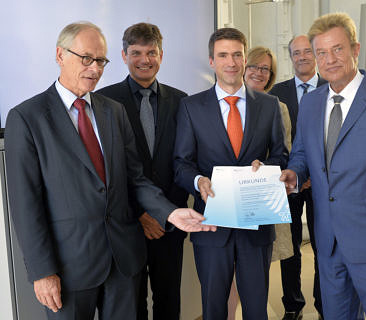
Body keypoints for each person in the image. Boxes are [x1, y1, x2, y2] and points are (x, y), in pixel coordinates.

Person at [4, 21, 214, 320]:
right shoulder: (27, 118)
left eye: (100, 60)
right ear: (60, 55)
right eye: (86, 58)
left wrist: (170, 213)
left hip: (123, 262)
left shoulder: (111, 111)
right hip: (68, 268)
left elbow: (135, 178)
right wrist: (42, 271)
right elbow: (26, 205)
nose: (95, 68)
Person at [281, 13, 366, 320]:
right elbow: (303, 155)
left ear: (355, 49)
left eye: (338, 49)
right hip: (328, 244)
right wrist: (294, 173)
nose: (329, 59)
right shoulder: (311, 103)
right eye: (321, 52)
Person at [173, 28, 288, 320]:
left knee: (256, 308)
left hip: (256, 226)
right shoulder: (190, 107)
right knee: (213, 308)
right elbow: (181, 163)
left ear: (245, 59)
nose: (231, 62)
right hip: (212, 227)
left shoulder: (269, 105)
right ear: (212, 61)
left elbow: (280, 154)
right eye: (223, 55)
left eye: (237, 54)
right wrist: (198, 181)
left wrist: (269, 168)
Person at [97, 22, 188, 320]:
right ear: (124, 56)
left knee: (168, 301)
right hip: (127, 224)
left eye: (151, 52)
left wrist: (163, 213)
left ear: (161, 55)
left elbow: (185, 161)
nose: (145, 60)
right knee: (131, 306)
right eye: (136, 52)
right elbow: (107, 167)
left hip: (169, 224)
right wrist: (141, 212)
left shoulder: (182, 101)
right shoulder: (104, 102)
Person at [225, 46, 294, 320]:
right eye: (253, 66)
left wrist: (266, 167)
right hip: (227, 197)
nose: (258, 72)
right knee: (226, 273)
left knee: (255, 277)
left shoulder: (279, 108)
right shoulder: (226, 101)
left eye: (265, 69)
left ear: (271, 74)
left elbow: (283, 153)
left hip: (259, 199)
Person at [269, 35, 326, 320]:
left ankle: (324, 304)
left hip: (324, 185)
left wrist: (314, 173)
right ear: (290, 56)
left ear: (315, 54)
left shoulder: (332, 87)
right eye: (296, 53)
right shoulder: (276, 92)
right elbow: (276, 141)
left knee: (323, 245)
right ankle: (293, 305)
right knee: (289, 247)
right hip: (286, 184)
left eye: (307, 52)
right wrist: (295, 173)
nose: (302, 57)